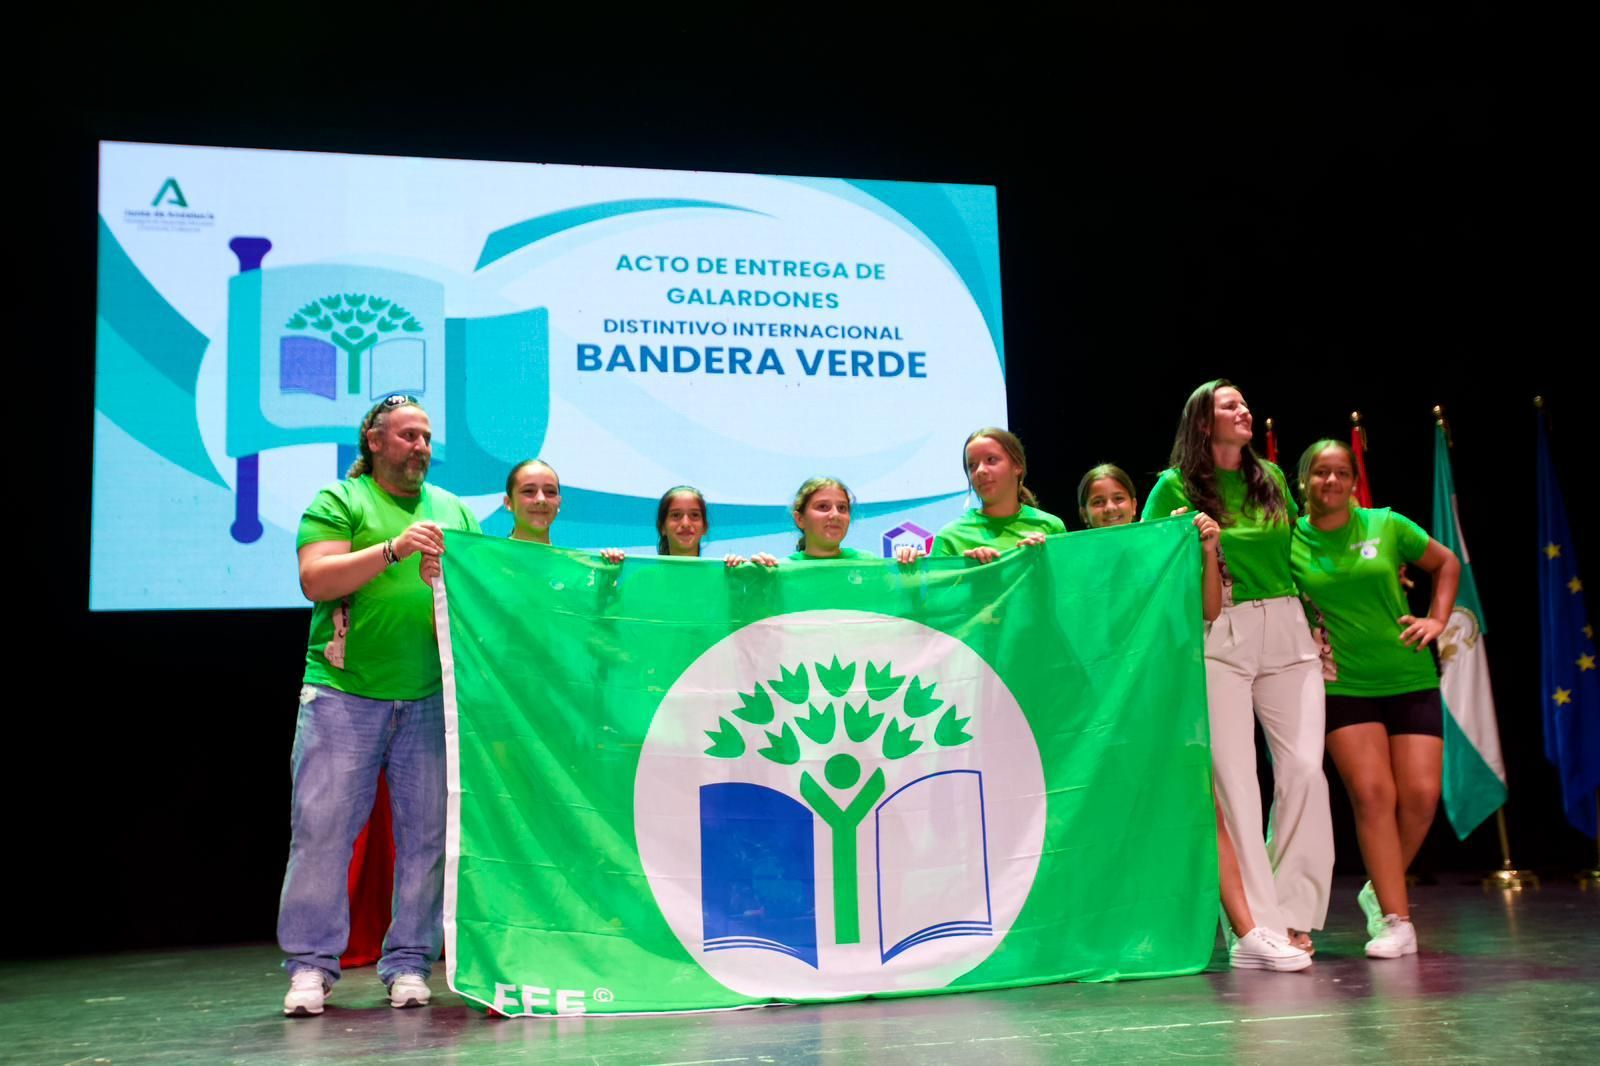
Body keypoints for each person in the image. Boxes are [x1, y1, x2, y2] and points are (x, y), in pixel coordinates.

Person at [279, 395, 482, 1016]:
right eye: (408, 436)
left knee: (426, 839)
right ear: (374, 441)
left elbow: (483, 591)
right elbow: (317, 580)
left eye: (426, 436)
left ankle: (410, 963)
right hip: (345, 697)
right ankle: (311, 967)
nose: (421, 446)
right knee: (323, 835)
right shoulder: (340, 501)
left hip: (429, 701)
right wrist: (394, 549)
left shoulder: (453, 510)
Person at [1080, 462, 1307, 970]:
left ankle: (1247, 933)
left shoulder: (1162, 545)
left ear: (1136, 504)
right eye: (1098, 502)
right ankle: (1119, 931)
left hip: (1169, 699)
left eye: (1118, 497)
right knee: (1123, 820)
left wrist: (1205, 548)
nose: (1110, 508)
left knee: (1209, 811)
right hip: (1111, 713)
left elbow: (1208, 610)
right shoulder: (1080, 559)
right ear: (1084, 514)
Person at [1143, 380, 1332, 956]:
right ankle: (1258, 925)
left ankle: (1296, 909)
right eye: (1230, 405)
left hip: (1288, 624)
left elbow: (1294, 553)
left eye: (1245, 402)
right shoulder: (1173, 486)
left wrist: (1323, 615)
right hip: (1220, 625)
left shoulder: (1270, 478)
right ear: (1203, 423)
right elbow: (1143, 557)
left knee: (1303, 771)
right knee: (1236, 783)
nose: (1244, 410)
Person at [1290, 439, 1460, 958]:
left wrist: (1437, 618)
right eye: (1321, 473)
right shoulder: (1289, 540)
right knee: (1372, 796)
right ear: (1304, 481)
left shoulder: (1386, 524)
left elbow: (1446, 563)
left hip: (1408, 673)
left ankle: (1378, 887)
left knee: (1421, 797)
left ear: (1353, 482)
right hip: (1343, 684)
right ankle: (1395, 919)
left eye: (1342, 473)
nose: (1332, 482)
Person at [912, 428, 1065, 564]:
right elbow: (939, 595)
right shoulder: (950, 536)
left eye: (991, 460)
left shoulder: (1050, 526)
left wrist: (1044, 563)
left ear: (1017, 466)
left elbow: (1067, 587)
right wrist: (971, 573)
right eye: (972, 465)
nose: (980, 471)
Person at [789, 476, 870, 560]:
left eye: (842, 508)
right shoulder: (782, 570)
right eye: (822, 506)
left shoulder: (869, 564)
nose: (835, 515)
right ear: (800, 519)